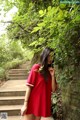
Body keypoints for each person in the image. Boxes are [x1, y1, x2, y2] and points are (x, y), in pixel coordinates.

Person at [21, 47, 58, 120]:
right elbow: (29, 87)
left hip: (41, 104)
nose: (51, 58)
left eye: (52, 56)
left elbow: (53, 90)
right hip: (32, 102)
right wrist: (25, 104)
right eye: (49, 56)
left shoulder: (50, 71)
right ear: (45, 56)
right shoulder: (36, 67)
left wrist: (53, 76)